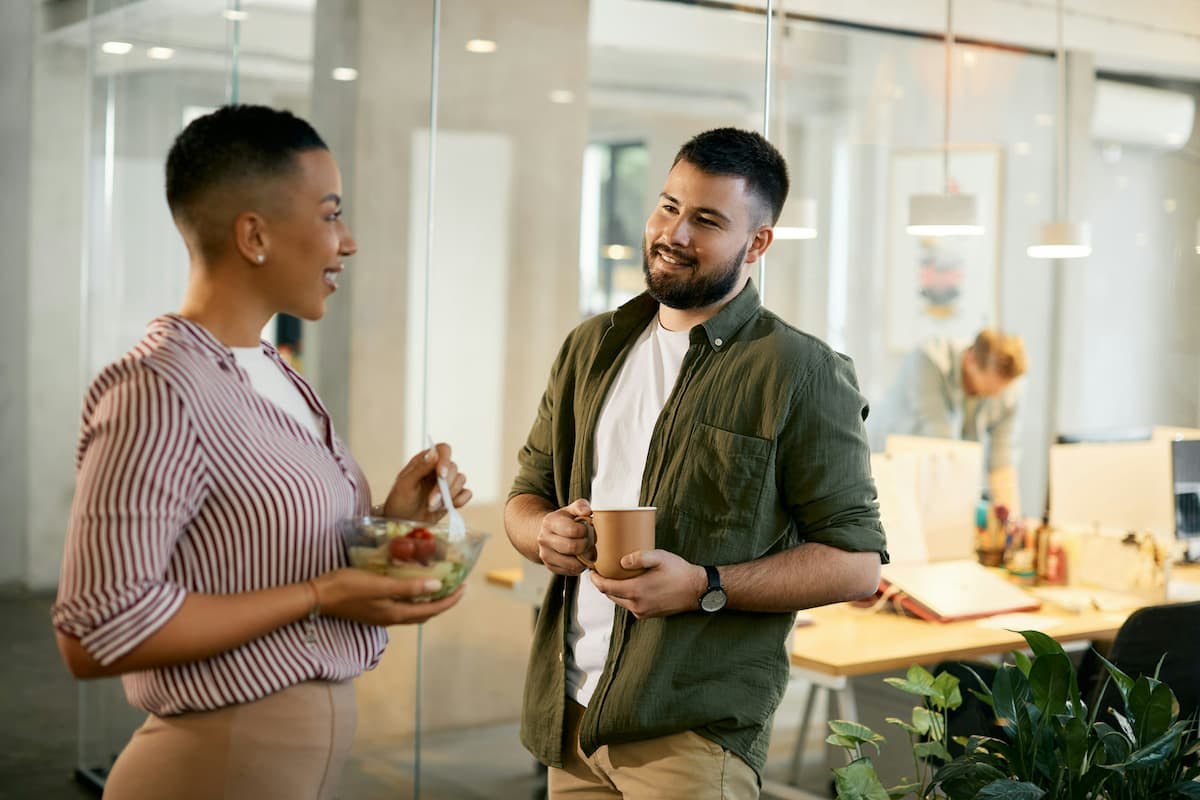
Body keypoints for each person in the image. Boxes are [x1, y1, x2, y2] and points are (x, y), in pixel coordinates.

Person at [51, 105, 472, 800]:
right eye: (331, 214)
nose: (349, 241)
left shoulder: (270, 369)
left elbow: (264, 548)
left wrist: (390, 521)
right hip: (213, 762)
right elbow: (96, 630)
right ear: (255, 235)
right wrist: (322, 594)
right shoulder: (157, 388)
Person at [505, 127, 888, 797]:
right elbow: (525, 497)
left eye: (706, 220)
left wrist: (704, 583)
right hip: (570, 716)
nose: (674, 233)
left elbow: (856, 565)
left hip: (690, 730)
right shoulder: (591, 346)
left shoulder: (801, 372)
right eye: (668, 206)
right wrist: (544, 533)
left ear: (757, 243)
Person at [867, 329, 1027, 514]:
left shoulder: (1008, 389)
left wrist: (1011, 520)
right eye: (989, 390)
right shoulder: (929, 359)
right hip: (888, 466)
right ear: (971, 360)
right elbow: (941, 444)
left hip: (939, 475)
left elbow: (1002, 460)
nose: (997, 396)